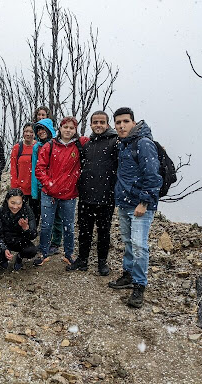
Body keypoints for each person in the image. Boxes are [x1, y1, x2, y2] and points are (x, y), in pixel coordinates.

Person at [108, 107, 162, 309]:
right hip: (124, 203)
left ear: (134, 122)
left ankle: (139, 285)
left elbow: (153, 176)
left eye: (125, 121)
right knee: (129, 242)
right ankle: (128, 274)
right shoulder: (124, 144)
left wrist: (144, 202)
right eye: (118, 122)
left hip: (140, 205)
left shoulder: (144, 144)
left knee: (139, 246)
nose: (121, 126)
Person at [67, 111, 118, 276]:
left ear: (107, 124)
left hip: (106, 197)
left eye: (102, 122)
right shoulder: (87, 145)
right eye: (95, 122)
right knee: (84, 231)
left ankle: (102, 262)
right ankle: (82, 260)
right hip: (87, 196)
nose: (98, 125)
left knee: (103, 232)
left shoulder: (114, 142)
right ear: (90, 124)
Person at [34, 116, 89, 267]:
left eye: (72, 128)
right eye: (66, 127)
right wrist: (49, 184)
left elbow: (97, 141)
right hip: (49, 193)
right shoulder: (50, 146)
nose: (68, 130)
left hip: (69, 194)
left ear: (75, 130)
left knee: (69, 226)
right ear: (60, 128)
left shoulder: (80, 145)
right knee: (46, 225)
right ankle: (43, 253)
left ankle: (69, 254)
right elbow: (39, 169)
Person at [31, 107, 63, 257]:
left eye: (43, 129)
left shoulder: (57, 144)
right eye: (38, 129)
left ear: (49, 129)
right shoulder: (37, 147)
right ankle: (45, 243)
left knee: (57, 216)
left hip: (57, 186)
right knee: (46, 218)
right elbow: (35, 168)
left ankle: (56, 242)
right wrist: (35, 189)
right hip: (42, 187)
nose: (40, 132)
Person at [0, 188, 38, 271]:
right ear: (7, 200)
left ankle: (19, 257)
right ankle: (2, 258)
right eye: (12, 203)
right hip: (5, 239)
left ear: (22, 202)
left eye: (18, 203)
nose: (15, 207)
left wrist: (26, 229)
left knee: (32, 250)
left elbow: (33, 235)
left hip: (20, 240)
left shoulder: (27, 212)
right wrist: (4, 248)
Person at [10, 122, 40, 224]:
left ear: (35, 133)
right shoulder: (17, 148)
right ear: (23, 133)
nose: (28, 134)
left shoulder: (38, 147)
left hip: (34, 188)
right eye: (26, 131)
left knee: (35, 213)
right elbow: (13, 168)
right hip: (20, 188)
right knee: (19, 213)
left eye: (31, 132)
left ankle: (32, 233)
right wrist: (14, 187)